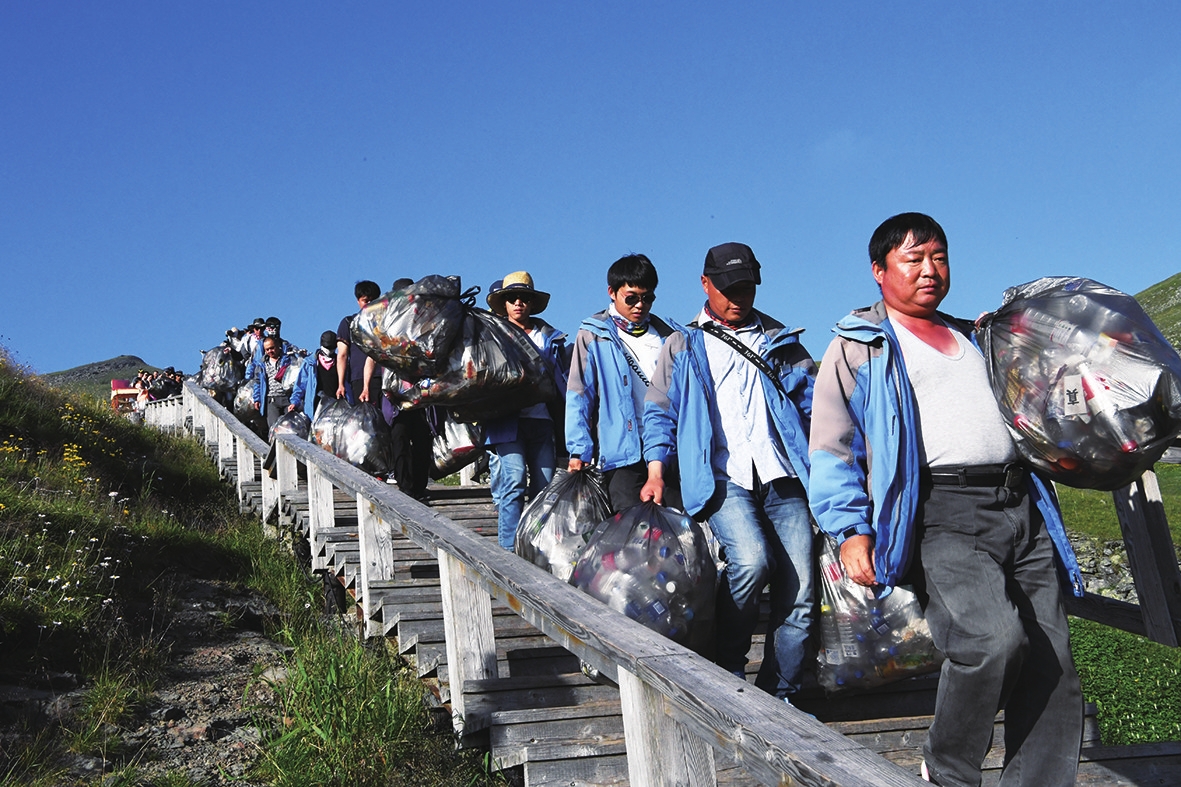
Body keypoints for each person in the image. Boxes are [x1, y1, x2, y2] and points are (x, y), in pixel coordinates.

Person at [807, 213, 1084, 786]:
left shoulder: (974, 335)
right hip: (940, 511)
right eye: (914, 259)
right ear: (879, 272)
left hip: (1019, 502)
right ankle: (949, 769)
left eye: (939, 256)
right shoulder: (861, 347)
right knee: (991, 641)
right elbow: (833, 447)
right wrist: (850, 530)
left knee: (1052, 659)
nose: (929, 270)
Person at [640, 243, 816, 700]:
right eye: (726, 288)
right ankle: (729, 669)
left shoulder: (782, 341)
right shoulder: (683, 344)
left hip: (784, 476)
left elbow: (815, 409)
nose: (737, 298)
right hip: (722, 476)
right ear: (705, 284)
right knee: (752, 561)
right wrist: (656, 472)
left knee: (799, 594)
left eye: (746, 288)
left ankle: (785, 696)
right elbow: (660, 412)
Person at [566, 253, 679, 511]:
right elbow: (579, 394)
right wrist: (578, 450)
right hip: (619, 455)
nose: (640, 305)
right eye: (632, 298)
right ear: (612, 293)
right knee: (627, 533)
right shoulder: (593, 335)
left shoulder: (669, 337)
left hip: (665, 451)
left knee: (674, 533)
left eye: (647, 298)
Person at [485, 271, 569, 550]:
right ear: (504, 304)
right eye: (512, 298)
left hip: (542, 420)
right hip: (505, 421)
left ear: (532, 303)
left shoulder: (550, 338)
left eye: (524, 298)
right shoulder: (490, 337)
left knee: (544, 488)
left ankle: (535, 547)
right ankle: (509, 551)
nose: (518, 303)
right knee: (514, 480)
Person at [337, 281, 382, 404]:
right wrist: (341, 383)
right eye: (365, 300)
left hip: (384, 375)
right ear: (358, 301)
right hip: (358, 377)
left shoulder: (384, 322)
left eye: (373, 300)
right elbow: (342, 355)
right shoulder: (348, 323)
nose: (369, 304)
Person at [253, 335, 300, 432]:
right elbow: (257, 382)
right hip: (272, 399)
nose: (270, 351)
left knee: (291, 428)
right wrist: (257, 399)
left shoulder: (288, 359)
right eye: (267, 349)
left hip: (287, 398)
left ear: (277, 346)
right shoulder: (261, 364)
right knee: (274, 429)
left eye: (272, 348)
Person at [289, 330, 339, 419]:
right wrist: (294, 402)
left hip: (336, 408)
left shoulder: (341, 362)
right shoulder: (309, 363)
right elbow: (300, 385)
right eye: (327, 347)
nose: (329, 350)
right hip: (315, 409)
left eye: (332, 347)